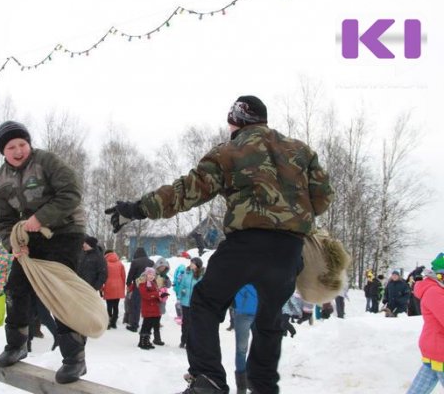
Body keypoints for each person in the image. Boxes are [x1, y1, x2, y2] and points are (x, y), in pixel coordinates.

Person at [105, 95, 334, 393]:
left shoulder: (229, 150)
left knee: (206, 303)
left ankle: (209, 379)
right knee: (269, 317)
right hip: (288, 249)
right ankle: (264, 386)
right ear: (263, 120)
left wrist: (135, 209)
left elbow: (185, 192)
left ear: (234, 121)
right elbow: (323, 197)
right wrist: (291, 214)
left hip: (245, 243)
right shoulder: (301, 151)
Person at [0, 121, 88, 384]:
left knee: (59, 292)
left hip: (65, 231)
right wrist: (12, 242)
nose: (18, 150)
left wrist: (41, 217)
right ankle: (17, 344)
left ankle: (75, 358)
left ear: (29, 144)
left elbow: (71, 193)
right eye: (11, 147)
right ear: (3, 151)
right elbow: (3, 218)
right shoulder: (1, 179)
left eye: (22, 144)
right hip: (30, 237)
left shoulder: (47, 161)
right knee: (15, 287)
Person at [407, 253, 444, 393]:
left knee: (419, 389)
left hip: (435, 346)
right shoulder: (435, 291)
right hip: (440, 348)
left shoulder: (437, 289)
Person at [233, 284, 258, 394]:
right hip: (242, 313)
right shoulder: (241, 269)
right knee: (241, 349)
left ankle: (254, 382)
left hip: (260, 313)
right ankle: (242, 386)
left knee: (259, 349)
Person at [137, 267, 169, 350]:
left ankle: (147, 341)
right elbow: (146, 295)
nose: (151, 276)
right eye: (149, 274)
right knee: (146, 325)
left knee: (150, 325)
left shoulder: (153, 283)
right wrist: (157, 293)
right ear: (146, 275)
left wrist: (162, 295)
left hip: (154, 308)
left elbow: (156, 294)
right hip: (147, 308)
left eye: (153, 275)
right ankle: (142, 342)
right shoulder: (142, 284)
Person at [177, 257, 205, 349]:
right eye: (191, 262)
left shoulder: (201, 276)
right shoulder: (187, 273)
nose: (191, 264)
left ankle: (192, 342)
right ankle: (183, 341)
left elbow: (203, 290)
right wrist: (179, 296)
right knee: (185, 323)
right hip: (185, 302)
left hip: (196, 303)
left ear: (197, 265)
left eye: (193, 263)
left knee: (194, 323)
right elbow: (181, 285)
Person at [125, 247, 154, 332]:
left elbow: (131, 274)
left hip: (138, 286)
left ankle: (134, 325)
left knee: (136, 306)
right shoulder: (151, 262)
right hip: (149, 286)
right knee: (148, 306)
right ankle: (148, 325)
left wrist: (128, 284)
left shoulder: (135, 262)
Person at [101, 249, 126, 329]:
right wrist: (122, 287)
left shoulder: (105, 264)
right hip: (118, 287)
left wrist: (101, 288)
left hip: (109, 286)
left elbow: (103, 277)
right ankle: (114, 322)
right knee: (116, 306)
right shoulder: (120, 264)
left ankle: (108, 322)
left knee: (109, 305)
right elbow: (123, 277)